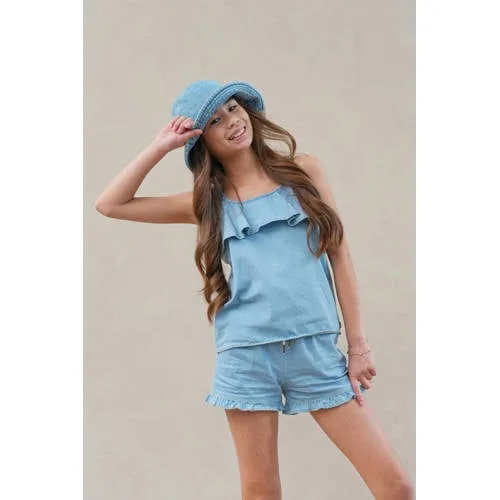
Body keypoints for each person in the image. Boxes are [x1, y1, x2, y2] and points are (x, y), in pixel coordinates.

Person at [94, 79, 414, 499]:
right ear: (201, 140)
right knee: (261, 492)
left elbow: (340, 257)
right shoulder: (207, 203)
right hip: (247, 355)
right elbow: (110, 204)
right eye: (214, 120)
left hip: (315, 348)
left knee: (396, 486)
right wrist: (160, 147)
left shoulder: (305, 172)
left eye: (232, 108)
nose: (231, 120)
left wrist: (358, 346)